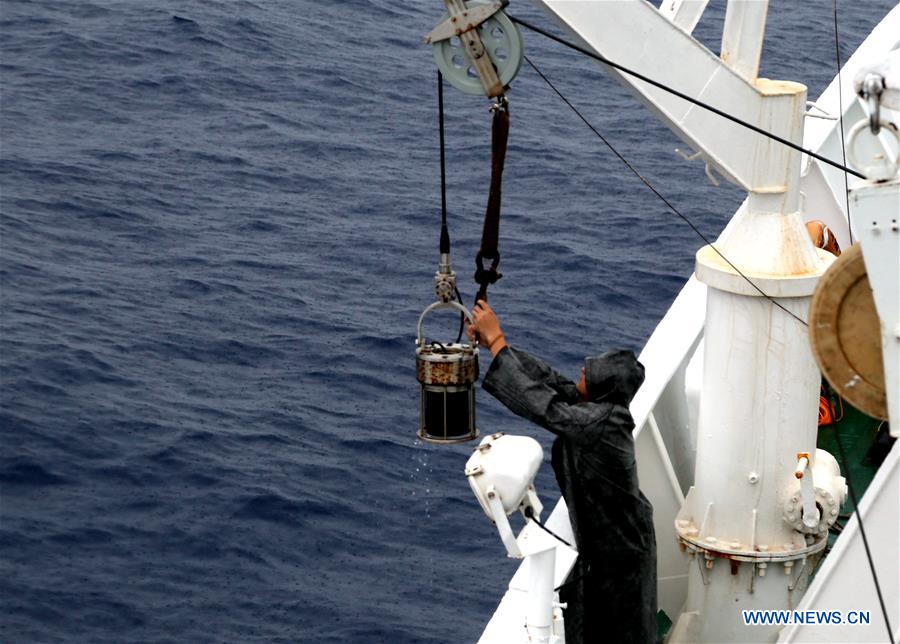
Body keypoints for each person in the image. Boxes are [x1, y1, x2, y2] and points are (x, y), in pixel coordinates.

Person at [467, 300, 657, 644]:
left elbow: (545, 408)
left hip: (621, 553)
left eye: (590, 374)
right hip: (606, 544)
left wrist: (496, 342)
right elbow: (548, 381)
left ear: (603, 386)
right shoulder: (599, 408)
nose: (581, 373)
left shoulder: (601, 422)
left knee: (622, 630)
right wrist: (498, 346)